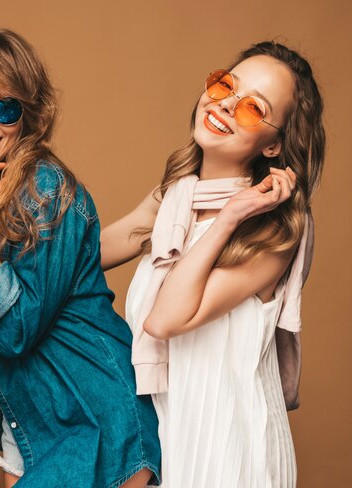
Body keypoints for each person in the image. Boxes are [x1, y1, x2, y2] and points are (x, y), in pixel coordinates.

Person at [0, 28, 161, 487]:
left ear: (28, 116)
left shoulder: (45, 187)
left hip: (97, 418)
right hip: (29, 423)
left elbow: (16, 330)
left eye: (5, 109)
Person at [101, 42, 324, 487]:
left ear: (274, 144)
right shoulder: (172, 201)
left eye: (252, 108)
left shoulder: (275, 232)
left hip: (230, 445)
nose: (225, 104)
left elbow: (164, 320)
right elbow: (75, 261)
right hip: (167, 434)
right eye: (226, 85)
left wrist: (230, 218)